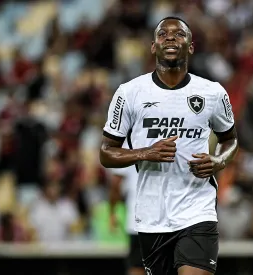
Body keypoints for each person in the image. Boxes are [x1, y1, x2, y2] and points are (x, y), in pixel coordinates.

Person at [99, 16, 238, 275]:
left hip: (197, 209)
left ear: (191, 46)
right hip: (152, 215)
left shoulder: (212, 93)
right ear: (153, 46)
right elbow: (106, 153)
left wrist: (218, 161)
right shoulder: (129, 93)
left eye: (179, 34)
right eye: (163, 34)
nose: (171, 38)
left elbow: (230, 140)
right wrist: (146, 153)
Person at [108, 144, 144, 275]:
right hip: (167, 219)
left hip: (138, 219)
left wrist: (112, 213)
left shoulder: (129, 145)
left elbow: (115, 184)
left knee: (137, 266)